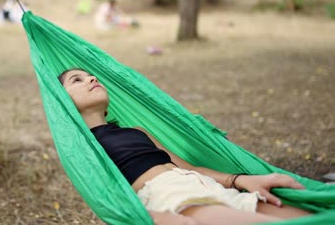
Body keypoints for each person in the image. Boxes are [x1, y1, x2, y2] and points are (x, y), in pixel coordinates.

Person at [58, 68, 311, 225]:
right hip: (173, 201)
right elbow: (104, 199)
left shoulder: (136, 132)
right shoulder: (84, 146)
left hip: (206, 187)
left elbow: (190, 167)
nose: (91, 78)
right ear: (62, 100)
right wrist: (153, 219)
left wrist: (242, 180)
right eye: (76, 80)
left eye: (90, 74)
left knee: (311, 219)